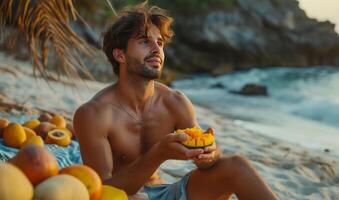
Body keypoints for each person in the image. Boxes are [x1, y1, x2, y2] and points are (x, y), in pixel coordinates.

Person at [73, 2, 279, 200]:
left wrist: (210, 154)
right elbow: (100, 190)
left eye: (160, 42)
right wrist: (158, 154)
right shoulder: (94, 114)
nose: (156, 49)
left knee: (236, 165)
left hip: (165, 192)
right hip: (122, 195)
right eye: (145, 41)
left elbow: (207, 162)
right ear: (120, 55)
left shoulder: (175, 102)